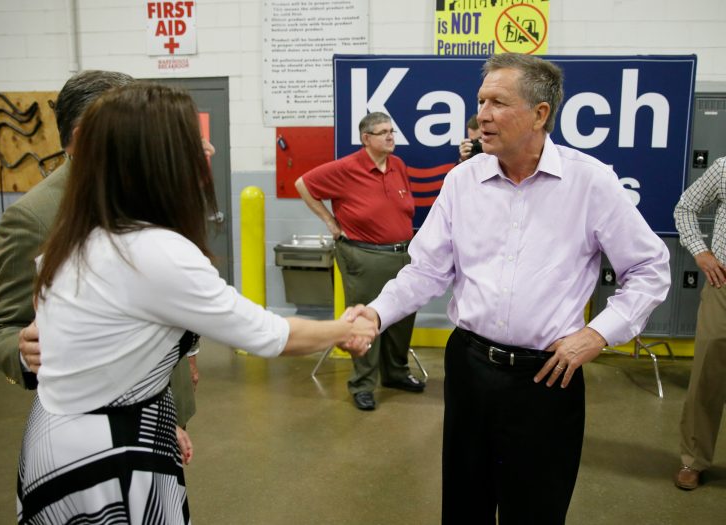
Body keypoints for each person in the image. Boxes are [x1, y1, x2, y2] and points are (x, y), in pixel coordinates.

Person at [17, 83, 376, 523]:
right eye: (192, 138)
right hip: (103, 459)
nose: (208, 146)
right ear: (156, 159)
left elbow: (111, 360)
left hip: (72, 437)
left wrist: (158, 417)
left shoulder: (82, 234)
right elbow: (268, 335)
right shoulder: (152, 251)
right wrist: (348, 329)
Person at [349, 53, 671, 523]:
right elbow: (426, 271)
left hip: (547, 380)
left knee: (535, 510)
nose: (482, 114)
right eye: (481, 100)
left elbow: (649, 267)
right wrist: (376, 314)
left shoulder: (590, 184)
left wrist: (598, 334)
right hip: (470, 369)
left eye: (498, 102)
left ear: (540, 114)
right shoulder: (463, 182)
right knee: (465, 505)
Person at [0, 70, 200, 461]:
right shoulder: (34, 219)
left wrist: (190, 353)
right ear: (84, 138)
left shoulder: (148, 195)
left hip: (165, 406)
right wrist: (19, 349)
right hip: (94, 429)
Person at [295, 111, 422, 411]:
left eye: (392, 131)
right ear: (367, 139)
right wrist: (329, 220)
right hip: (364, 257)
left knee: (402, 318)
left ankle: (396, 373)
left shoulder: (398, 165)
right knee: (366, 321)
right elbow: (303, 184)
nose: (391, 136)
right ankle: (363, 384)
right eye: (383, 132)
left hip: (402, 255)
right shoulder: (347, 167)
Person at [673, 156, 726, 490]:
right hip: (723, 287)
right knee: (708, 372)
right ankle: (694, 459)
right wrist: (701, 252)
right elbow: (685, 208)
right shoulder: (724, 168)